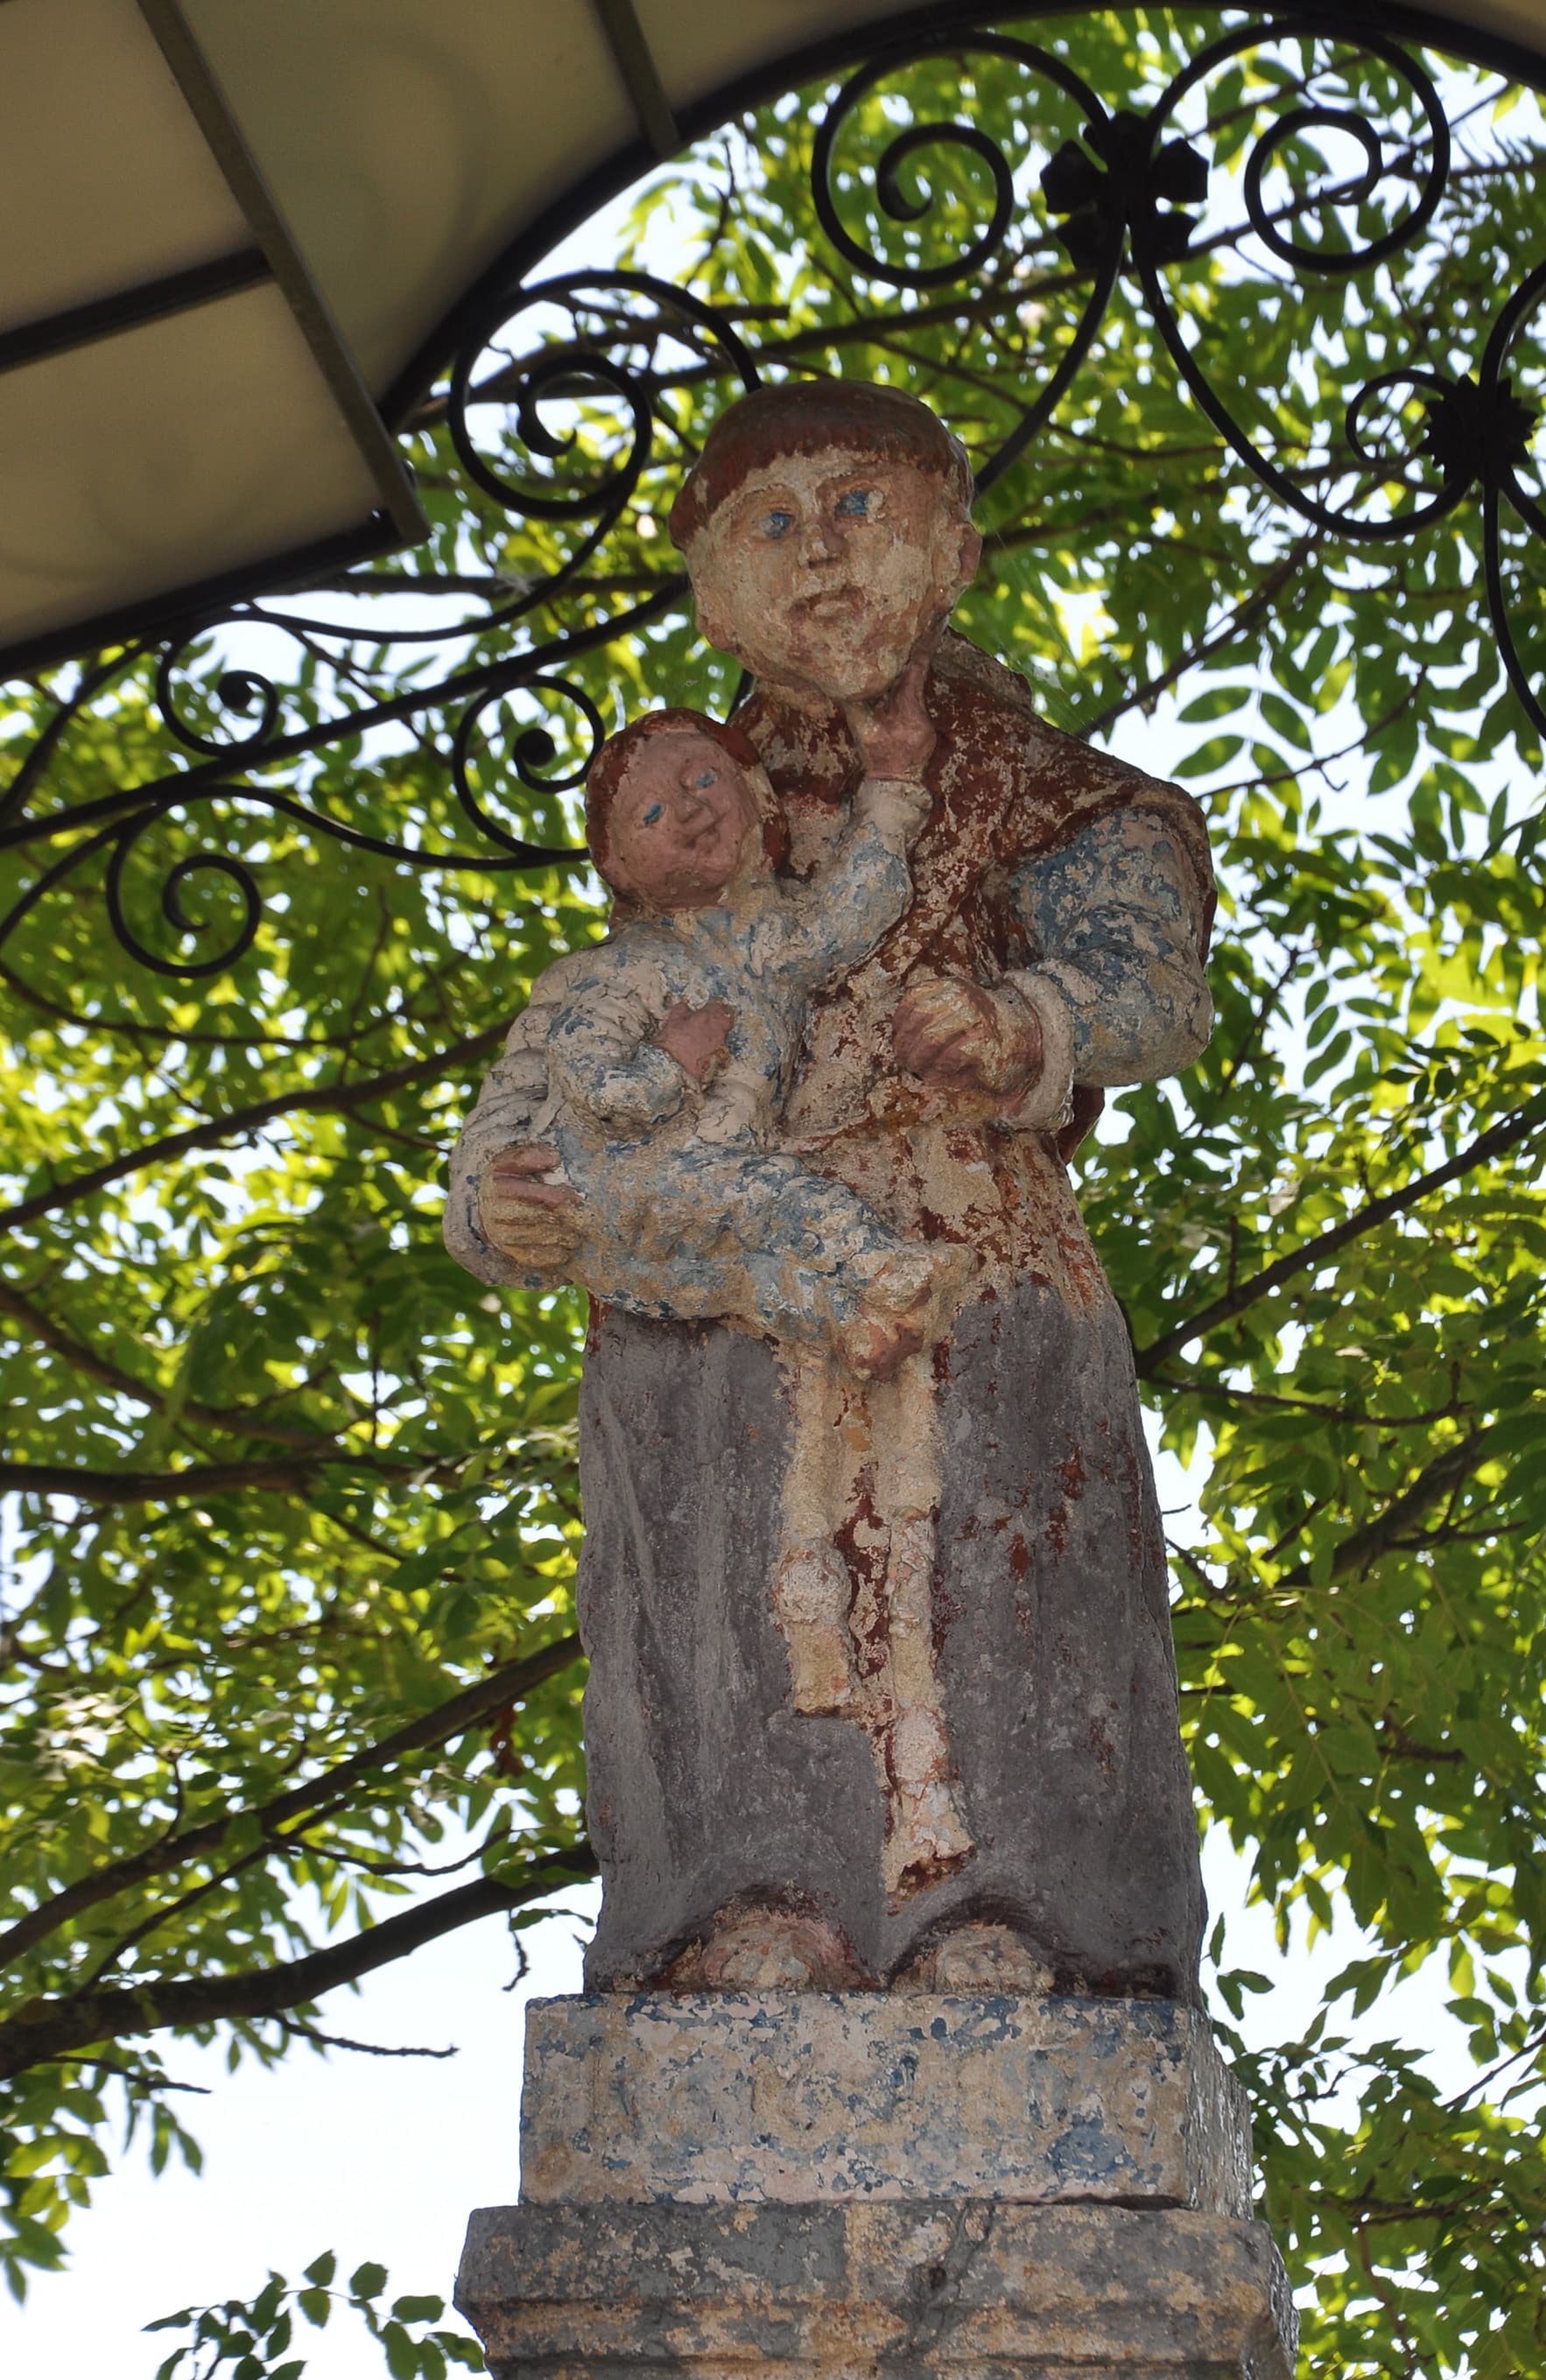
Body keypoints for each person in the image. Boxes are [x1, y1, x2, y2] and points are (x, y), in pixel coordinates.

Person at [446, 380, 1217, 1999]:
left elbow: (1150, 976)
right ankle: (736, 1906)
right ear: (706, 581)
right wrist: (512, 1196)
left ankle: (1019, 1921)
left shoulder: (1047, 793)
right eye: (772, 525)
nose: (822, 558)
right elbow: (568, 1052)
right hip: (711, 1266)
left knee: (1009, 1563)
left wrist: (1031, 1025)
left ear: (958, 545)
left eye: (862, 507)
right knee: (716, 1574)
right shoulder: (679, 812)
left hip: (968, 1235)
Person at [445, 703, 962, 1381]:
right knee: (777, 1201)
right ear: (618, 866)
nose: (688, 812)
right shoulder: (603, 972)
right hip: (610, 1187)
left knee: (746, 1270)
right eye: (651, 816)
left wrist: (893, 787)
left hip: (688, 1198)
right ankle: (879, 1272)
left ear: (753, 792)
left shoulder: (771, 939)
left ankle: (851, 1317)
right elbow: (514, 1102)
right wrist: (486, 1205)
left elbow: (849, 914)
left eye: (703, 781)